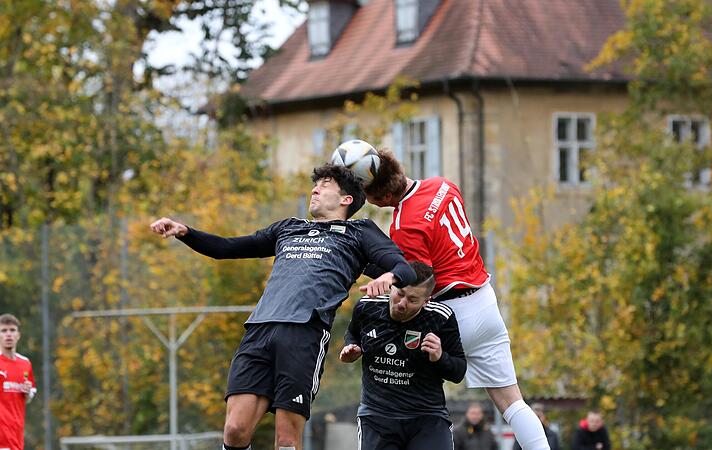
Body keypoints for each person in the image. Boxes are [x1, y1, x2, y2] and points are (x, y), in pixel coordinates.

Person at [150, 164, 416, 450]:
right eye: (316, 184)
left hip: (304, 334)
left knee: (286, 440)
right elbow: (226, 248)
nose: (315, 189)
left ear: (346, 199)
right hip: (259, 330)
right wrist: (185, 232)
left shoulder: (359, 232)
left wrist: (390, 276)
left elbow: (407, 269)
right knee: (235, 430)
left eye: (325, 185)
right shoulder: (288, 228)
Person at [363, 149, 550, 450]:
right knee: (512, 402)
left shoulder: (404, 225)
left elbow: (417, 282)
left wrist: (371, 267)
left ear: (382, 198)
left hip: (448, 313)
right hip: (485, 302)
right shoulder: (443, 185)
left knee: (408, 397)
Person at [340, 261, 466, 450]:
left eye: (413, 300)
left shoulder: (441, 317)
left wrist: (440, 357)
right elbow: (353, 334)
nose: (402, 303)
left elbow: (458, 372)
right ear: (392, 287)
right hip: (377, 418)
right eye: (399, 294)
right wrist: (351, 347)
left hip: (427, 418)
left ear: (426, 301)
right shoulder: (367, 307)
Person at [0, 314, 37, 450]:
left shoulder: (25, 363)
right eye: (4, 331)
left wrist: (27, 393)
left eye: (12, 330)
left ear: (18, 335)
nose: (8, 335)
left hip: (16, 437)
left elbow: (29, 395)